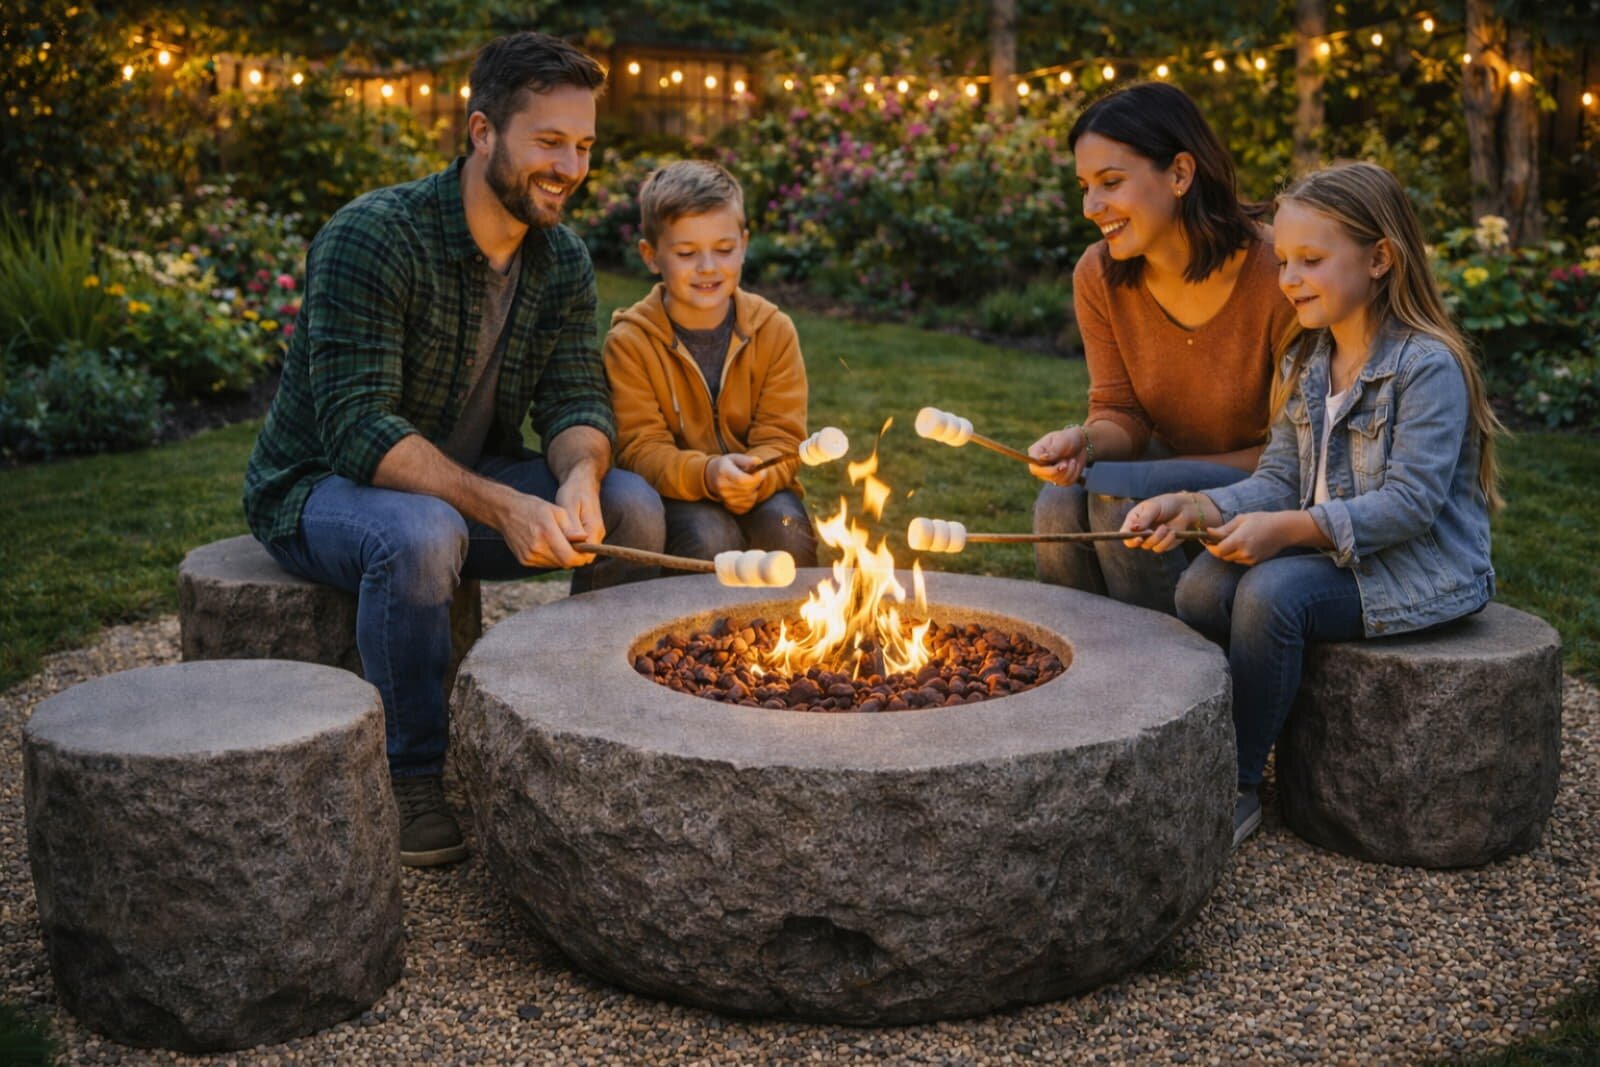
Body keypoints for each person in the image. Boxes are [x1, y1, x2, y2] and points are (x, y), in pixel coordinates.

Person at [243, 32, 666, 868]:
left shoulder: (561, 258)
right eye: (549, 141)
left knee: (632, 505)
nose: (570, 167)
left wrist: (580, 475)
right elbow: (359, 427)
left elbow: (575, 401)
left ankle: (582, 736)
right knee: (424, 533)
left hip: (462, 481)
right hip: (323, 485)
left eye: (584, 146)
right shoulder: (374, 236)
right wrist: (505, 506)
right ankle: (411, 776)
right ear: (482, 132)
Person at [1119, 161, 1503, 848]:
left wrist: (1289, 530)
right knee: (1202, 586)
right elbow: (1277, 478)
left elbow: (1410, 505)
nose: (1289, 279)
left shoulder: (1427, 367)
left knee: (1271, 595)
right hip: (1332, 549)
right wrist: (1196, 506)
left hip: (1413, 567)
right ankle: (1204, 745)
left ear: (1380, 258)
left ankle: (1236, 782)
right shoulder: (1310, 363)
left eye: (1311, 261)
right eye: (1285, 261)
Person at [1028, 82, 1299, 614]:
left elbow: (1298, 454)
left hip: (1264, 483)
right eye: (1085, 186)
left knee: (1121, 498)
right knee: (1059, 501)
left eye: (1111, 182)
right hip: (1162, 468)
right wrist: (1084, 441)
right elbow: (1121, 413)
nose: (1090, 206)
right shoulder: (1098, 274)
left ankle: (1172, 661)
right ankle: (1078, 653)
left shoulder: (1280, 274)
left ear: (1179, 174)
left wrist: (1156, 476)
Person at [602, 160, 818, 566]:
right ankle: (689, 610)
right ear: (651, 255)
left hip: (758, 485)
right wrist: (708, 474)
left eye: (724, 250)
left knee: (787, 530)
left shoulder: (773, 330)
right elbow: (640, 450)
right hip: (677, 492)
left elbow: (784, 438)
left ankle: (796, 612)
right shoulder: (631, 343)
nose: (707, 267)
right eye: (686, 253)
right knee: (711, 537)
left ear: (744, 244)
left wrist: (759, 474)